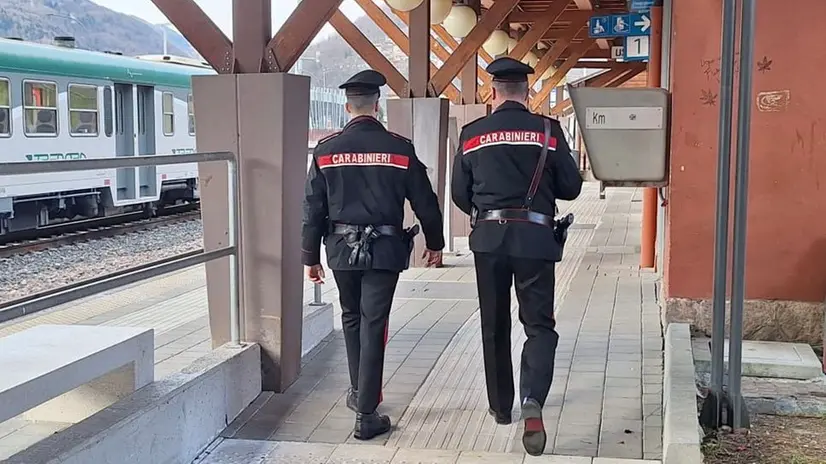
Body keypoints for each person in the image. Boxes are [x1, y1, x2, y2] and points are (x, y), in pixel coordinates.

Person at [450, 57, 583, 456]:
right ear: (527, 94)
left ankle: (500, 406)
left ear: (493, 94)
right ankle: (533, 399)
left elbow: (459, 192)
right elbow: (572, 187)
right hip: (536, 240)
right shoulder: (548, 130)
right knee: (539, 325)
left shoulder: (472, 133)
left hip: (488, 239)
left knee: (493, 324)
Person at [302, 69, 445, 440]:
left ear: (348, 106)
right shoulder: (400, 148)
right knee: (373, 322)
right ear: (377, 106)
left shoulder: (326, 150)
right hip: (384, 248)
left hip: (339, 249)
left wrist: (309, 257)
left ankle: (358, 393)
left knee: (351, 318)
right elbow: (425, 201)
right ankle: (366, 411)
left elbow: (312, 207)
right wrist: (435, 241)